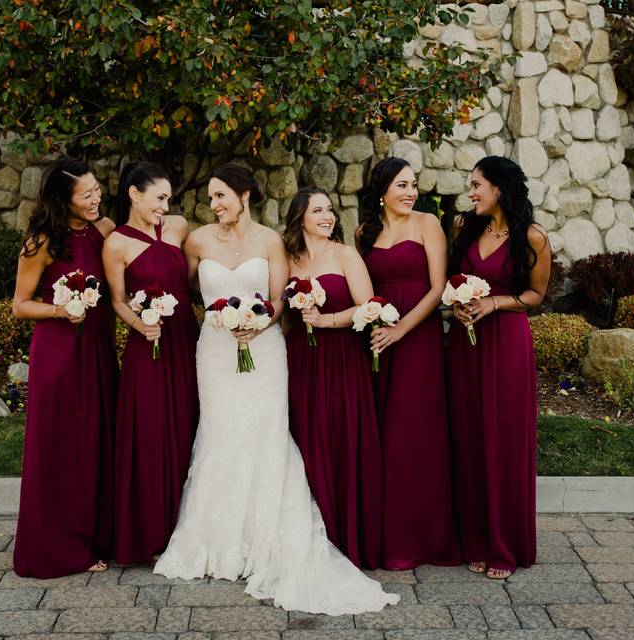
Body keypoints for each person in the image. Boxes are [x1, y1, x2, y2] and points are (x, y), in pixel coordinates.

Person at [153, 164, 398, 614]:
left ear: (245, 195)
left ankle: (265, 539)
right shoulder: (198, 240)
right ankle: (215, 539)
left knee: (265, 433)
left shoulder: (269, 241)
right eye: (211, 198)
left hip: (263, 349)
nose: (216, 204)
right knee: (220, 433)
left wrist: (257, 322)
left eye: (222, 195)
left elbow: (280, 296)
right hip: (215, 350)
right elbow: (185, 288)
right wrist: (221, 317)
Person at [11, 157, 117, 578]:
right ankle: (57, 547)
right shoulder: (41, 242)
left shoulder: (104, 231)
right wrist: (61, 309)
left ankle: (98, 534)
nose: (96, 198)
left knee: (96, 444)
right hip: (59, 356)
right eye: (86, 194)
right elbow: (20, 305)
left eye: (96, 190)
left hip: (98, 353)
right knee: (61, 449)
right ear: (63, 200)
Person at [448, 155, 551, 579]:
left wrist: (492, 302)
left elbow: (536, 295)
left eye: (476, 185)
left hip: (506, 343)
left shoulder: (532, 237)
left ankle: (505, 545)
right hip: (464, 343)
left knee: (504, 440)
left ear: (498, 188)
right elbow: (453, 280)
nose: (470, 193)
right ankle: (476, 538)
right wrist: (457, 305)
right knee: (470, 437)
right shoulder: (464, 228)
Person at [357, 157, 460, 570]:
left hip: (418, 339)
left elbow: (438, 288)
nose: (409, 192)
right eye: (401, 185)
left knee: (414, 431)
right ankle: (386, 536)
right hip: (377, 339)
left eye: (413, 185)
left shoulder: (427, 224)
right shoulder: (366, 232)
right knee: (383, 431)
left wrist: (401, 329)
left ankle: (424, 539)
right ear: (381, 191)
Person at [282, 187, 385, 570]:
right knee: (307, 441)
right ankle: (312, 535)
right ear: (300, 217)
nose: (328, 216)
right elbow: (282, 311)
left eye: (330, 210)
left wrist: (327, 320)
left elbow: (369, 306)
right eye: (318, 210)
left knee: (341, 438)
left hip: (342, 360)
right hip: (301, 360)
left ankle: (348, 535)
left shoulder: (345, 254)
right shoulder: (287, 258)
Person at [102, 162, 198, 565]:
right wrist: (141, 325)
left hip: (187, 343)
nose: (165, 205)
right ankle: (149, 531)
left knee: (188, 426)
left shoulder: (177, 227)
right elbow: (117, 300)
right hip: (149, 345)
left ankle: (190, 528)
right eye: (159, 197)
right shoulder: (116, 244)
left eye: (168, 199)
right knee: (150, 433)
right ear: (134, 194)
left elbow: (196, 276)